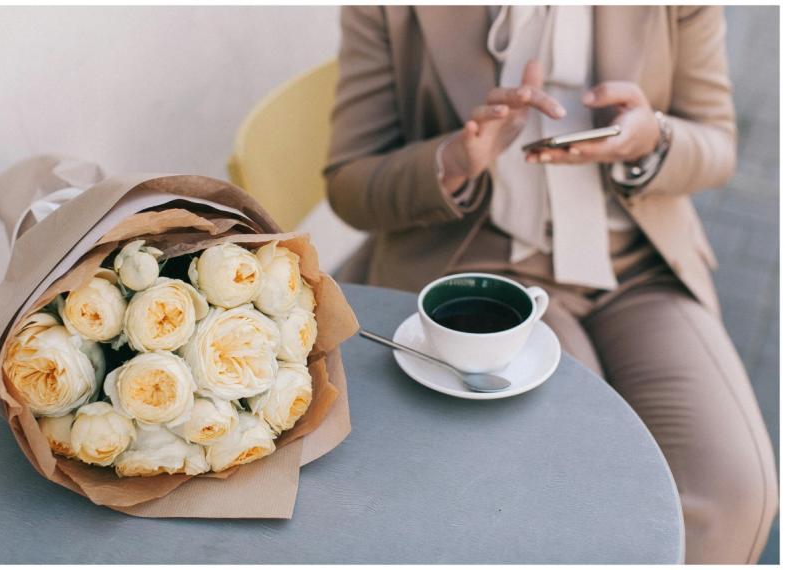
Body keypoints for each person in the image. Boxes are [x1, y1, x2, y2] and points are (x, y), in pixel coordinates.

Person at [324, 6, 777, 564]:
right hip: (486, 275)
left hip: (640, 265)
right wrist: (453, 160)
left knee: (735, 494)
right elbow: (348, 184)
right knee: (580, 485)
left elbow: (717, 145)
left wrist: (652, 138)